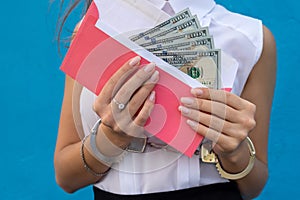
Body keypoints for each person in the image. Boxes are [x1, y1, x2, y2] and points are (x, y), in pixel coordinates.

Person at [54, 0, 276, 199]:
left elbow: (253, 186)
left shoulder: (251, 39)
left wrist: (234, 152)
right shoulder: (94, 27)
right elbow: (66, 177)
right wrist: (111, 137)